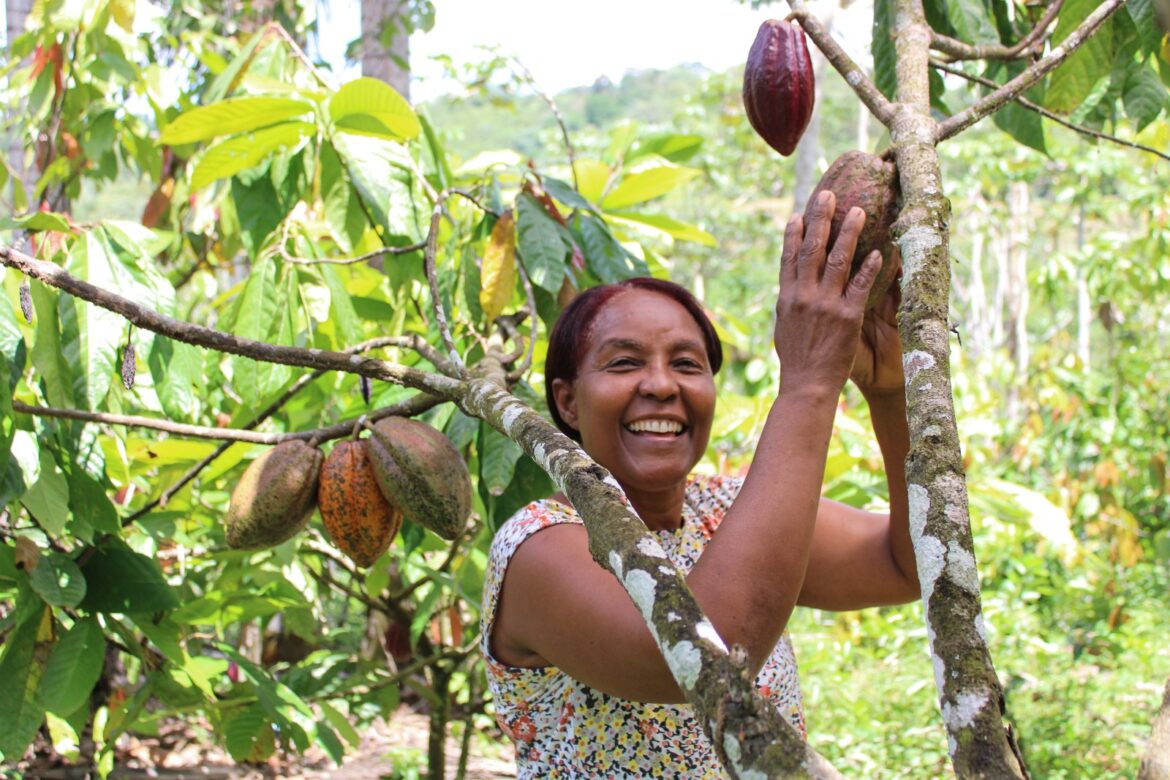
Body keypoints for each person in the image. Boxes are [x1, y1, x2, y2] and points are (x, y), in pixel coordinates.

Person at [479, 192, 920, 777]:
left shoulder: (726, 510)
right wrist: (811, 383)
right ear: (567, 401)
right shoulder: (538, 547)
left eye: (687, 364)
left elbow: (908, 563)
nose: (661, 385)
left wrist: (890, 393)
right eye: (623, 363)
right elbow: (703, 664)